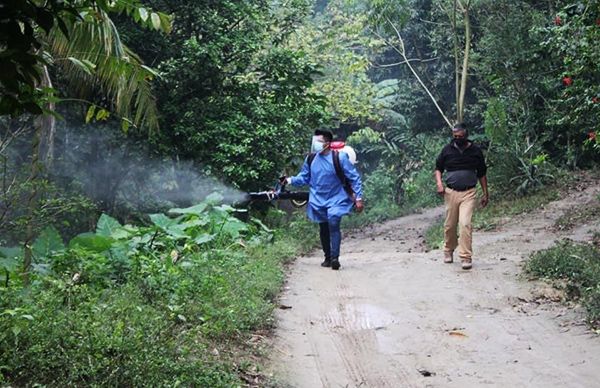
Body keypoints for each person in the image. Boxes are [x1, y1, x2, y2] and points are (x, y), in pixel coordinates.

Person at [282, 129, 364, 270]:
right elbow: (304, 177)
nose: (316, 145)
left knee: (333, 222)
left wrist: (359, 198)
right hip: (318, 199)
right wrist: (289, 180)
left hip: (336, 198)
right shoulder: (311, 159)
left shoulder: (340, 158)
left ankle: (335, 258)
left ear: (327, 143)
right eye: (315, 142)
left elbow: (354, 178)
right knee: (323, 227)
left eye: (319, 142)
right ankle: (327, 257)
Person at [434, 123, 489, 270]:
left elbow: (482, 173)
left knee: (465, 223)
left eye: (461, 136)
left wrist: (485, 193)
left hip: (469, 193)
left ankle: (465, 256)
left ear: (466, 135)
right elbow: (438, 169)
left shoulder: (475, 151)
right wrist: (439, 184)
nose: (458, 138)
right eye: (455, 136)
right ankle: (448, 249)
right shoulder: (447, 150)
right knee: (450, 225)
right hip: (451, 192)